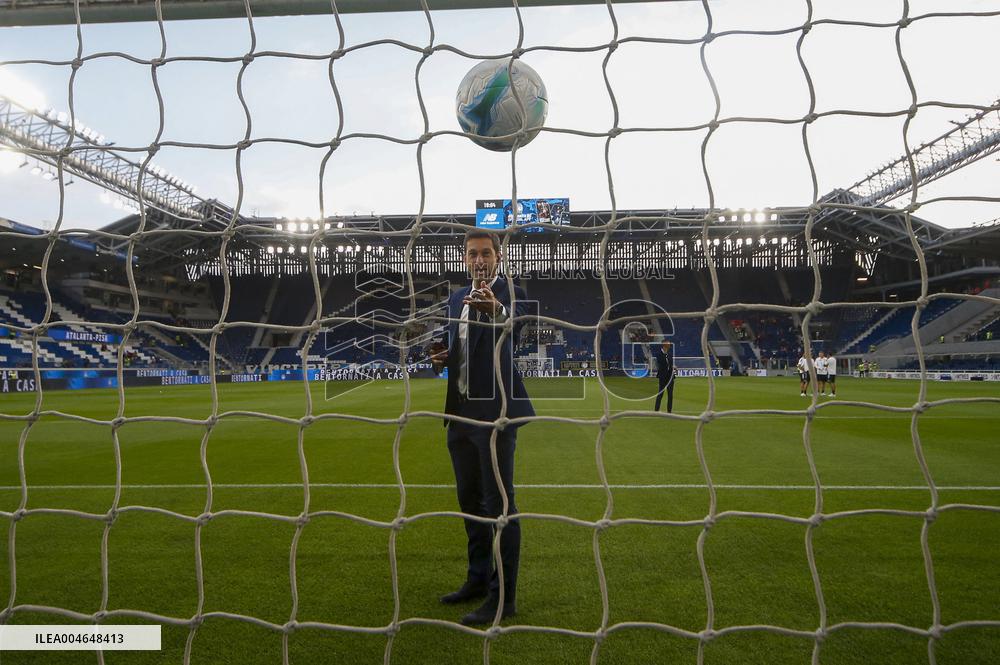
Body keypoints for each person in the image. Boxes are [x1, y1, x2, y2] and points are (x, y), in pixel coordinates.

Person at [429, 229, 535, 626]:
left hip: (495, 414)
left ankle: (503, 597)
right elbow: (459, 348)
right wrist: (443, 357)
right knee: (470, 503)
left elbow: (514, 326)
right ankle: (477, 579)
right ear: (465, 258)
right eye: (472, 253)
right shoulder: (455, 298)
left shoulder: (512, 293)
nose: (479, 260)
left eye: (486, 253)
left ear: (498, 256)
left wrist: (496, 311)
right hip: (459, 415)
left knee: (499, 507)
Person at [652, 340, 675, 413]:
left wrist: (673, 367)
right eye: (668, 345)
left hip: (670, 377)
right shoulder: (659, 354)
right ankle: (656, 410)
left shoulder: (669, 354)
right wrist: (669, 365)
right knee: (660, 393)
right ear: (664, 346)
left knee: (670, 395)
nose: (669, 346)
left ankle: (669, 411)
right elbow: (662, 364)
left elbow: (670, 364)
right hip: (663, 377)